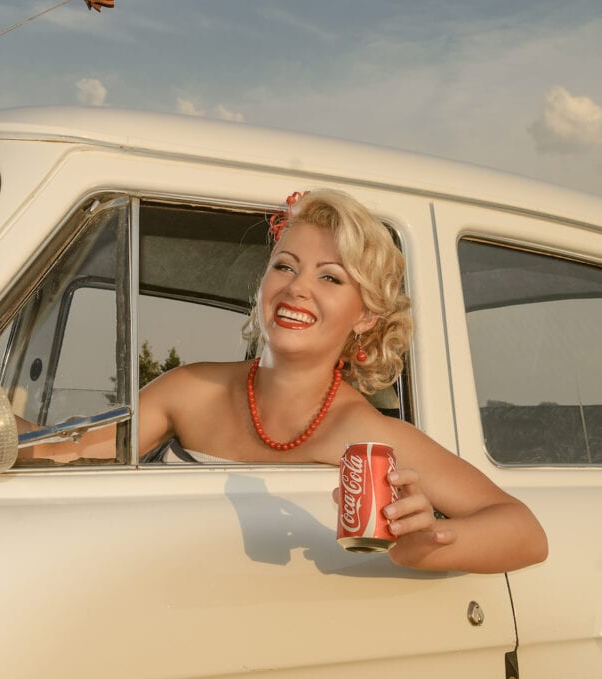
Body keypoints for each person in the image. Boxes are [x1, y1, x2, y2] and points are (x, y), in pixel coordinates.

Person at [138, 189, 548, 573]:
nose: (296, 287)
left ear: (366, 315)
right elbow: (79, 457)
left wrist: (425, 545)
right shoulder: (187, 389)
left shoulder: (370, 438)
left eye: (330, 277)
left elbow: (526, 533)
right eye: (284, 266)